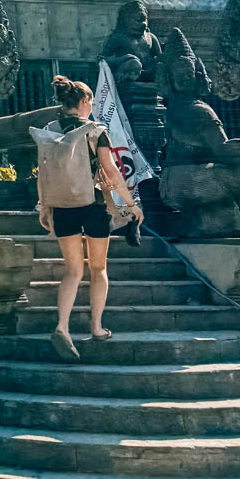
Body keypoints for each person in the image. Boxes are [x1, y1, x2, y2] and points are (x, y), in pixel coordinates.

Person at [37, 75, 144, 361]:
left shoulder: (50, 131)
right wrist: (131, 204)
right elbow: (110, 171)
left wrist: (44, 207)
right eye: (91, 102)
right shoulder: (96, 130)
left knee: (72, 270)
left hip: (62, 206)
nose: (92, 107)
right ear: (84, 102)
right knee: (98, 268)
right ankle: (96, 326)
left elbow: (43, 173)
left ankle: (62, 327)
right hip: (93, 204)